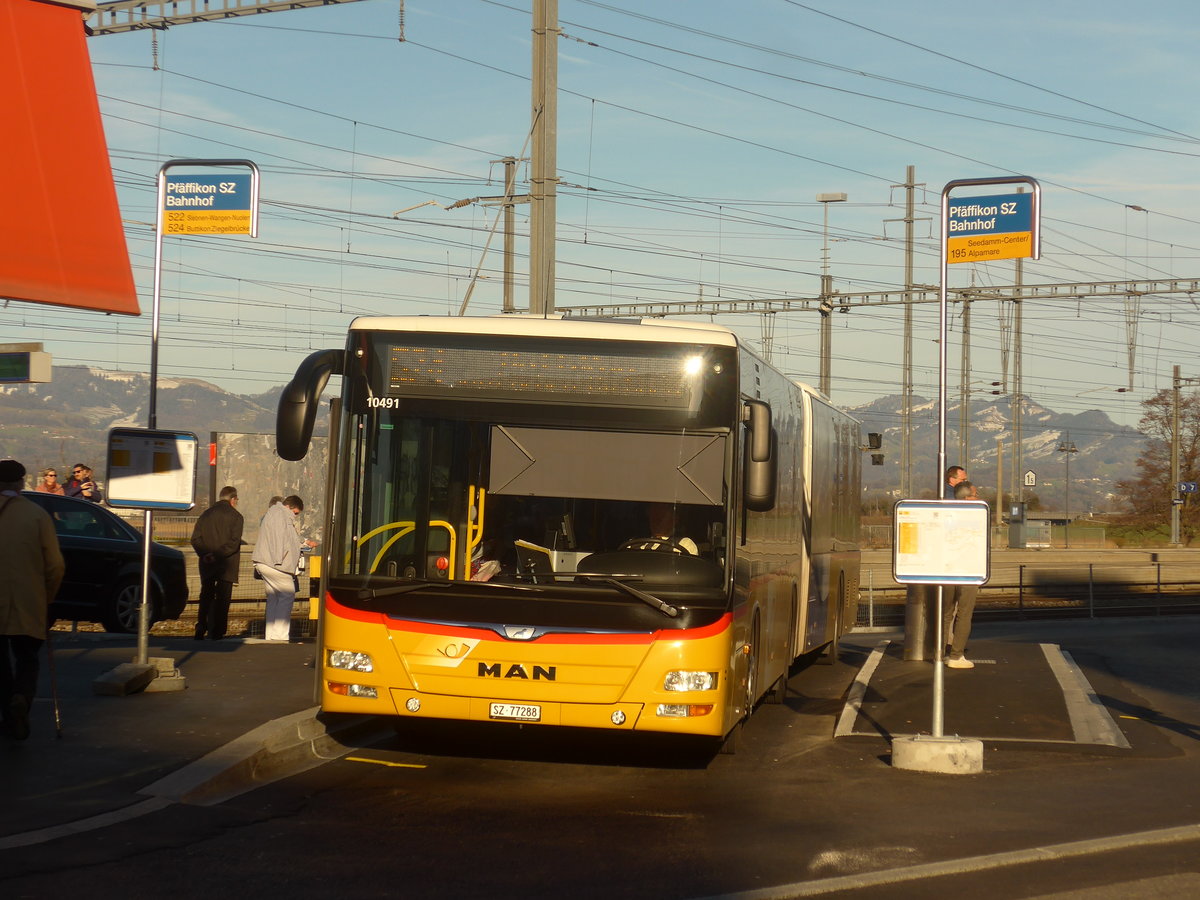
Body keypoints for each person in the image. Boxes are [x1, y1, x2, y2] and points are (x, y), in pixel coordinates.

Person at [0, 460, 66, 741]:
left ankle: (8, 710)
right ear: (21, 483)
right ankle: (21, 699)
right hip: (27, 602)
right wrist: (47, 597)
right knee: (27, 658)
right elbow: (55, 566)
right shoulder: (36, 515)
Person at [189, 485, 245, 641]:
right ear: (233, 499)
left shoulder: (205, 515)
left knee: (205, 596)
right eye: (237, 500)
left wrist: (206, 554)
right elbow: (234, 543)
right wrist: (217, 555)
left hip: (207, 564)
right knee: (223, 599)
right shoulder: (236, 517)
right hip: (226, 565)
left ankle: (201, 627)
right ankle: (217, 632)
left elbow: (195, 539)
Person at [252, 494, 305, 642]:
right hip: (275, 564)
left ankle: (271, 636)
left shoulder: (274, 513)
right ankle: (279, 637)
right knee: (287, 594)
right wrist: (280, 559)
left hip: (265, 562)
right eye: (296, 513)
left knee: (274, 597)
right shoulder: (281, 515)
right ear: (290, 507)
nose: (295, 516)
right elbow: (281, 539)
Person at [944, 480, 981, 669]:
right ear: (967, 498)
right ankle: (956, 655)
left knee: (945, 613)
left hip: (946, 569)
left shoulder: (947, 515)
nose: (978, 497)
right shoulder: (975, 517)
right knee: (964, 614)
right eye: (975, 494)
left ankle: (939, 652)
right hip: (968, 570)